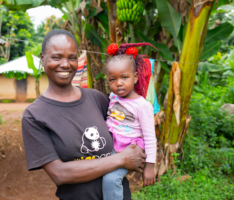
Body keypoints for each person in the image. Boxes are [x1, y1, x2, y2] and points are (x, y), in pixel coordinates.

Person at [21, 29, 146, 200]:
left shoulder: (97, 99)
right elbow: (59, 174)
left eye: (72, 58)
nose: (65, 64)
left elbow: (132, 126)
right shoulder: (35, 116)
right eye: (57, 57)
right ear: (43, 59)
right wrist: (120, 160)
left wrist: (138, 151)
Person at [102, 43, 157, 200]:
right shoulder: (112, 97)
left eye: (124, 77)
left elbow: (150, 137)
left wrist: (150, 166)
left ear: (135, 78)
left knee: (111, 179)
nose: (118, 83)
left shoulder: (142, 106)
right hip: (111, 145)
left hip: (128, 150)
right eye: (113, 79)